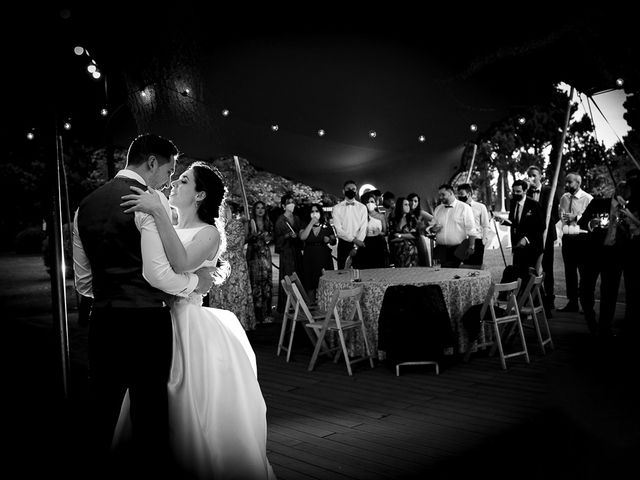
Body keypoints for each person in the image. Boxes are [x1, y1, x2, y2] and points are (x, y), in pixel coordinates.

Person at [117, 161, 277, 479]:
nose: (175, 181)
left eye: (185, 180)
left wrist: (159, 212)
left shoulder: (208, 234)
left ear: (200, 194)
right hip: (157, 322)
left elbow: (179, 261)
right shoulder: (168, 227)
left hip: (190, 327)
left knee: (190, 404)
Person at [71, 134, 216, 477]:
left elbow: (84, 284)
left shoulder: (85, 206)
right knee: (149, 416)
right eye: (170, 170)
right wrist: (197, 283)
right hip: (146, 324)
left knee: (102, 411)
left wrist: (113, 291)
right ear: (152, 163)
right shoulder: (150, 201)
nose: (169, 180)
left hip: (102, 322)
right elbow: (159, 276)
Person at [207, 201, 257, 331]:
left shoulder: (237, 225)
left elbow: (229, 243)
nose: (222, 213)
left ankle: (239, 326)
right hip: (218, 265)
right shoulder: (213, 226)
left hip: (235, 266)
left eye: (224, 210)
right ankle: (220, 327)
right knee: (220, 295)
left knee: (237, 295)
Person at [494, 179, 545, 288]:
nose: (515, 194)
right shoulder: (513, 203)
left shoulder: (534, 205)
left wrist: (526, 239)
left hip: (532, 247)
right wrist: (503, 221)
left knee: (529, 276)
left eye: (518, 191)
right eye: (514, 191)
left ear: (525, 190)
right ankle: (519, 298)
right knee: (518, 274)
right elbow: (515, 223)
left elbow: (541, 226)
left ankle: (532, 299)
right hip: (517, 246)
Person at [526, 165, 560, 314]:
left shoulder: (549, 191)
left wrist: (547, 225)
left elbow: (556, 214)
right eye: (529, 175)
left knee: (547, 267)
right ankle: (535, 298)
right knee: (531, 267)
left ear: (540, 176)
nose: (532, 178)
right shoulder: (525, 191)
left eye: (534, 175)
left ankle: (550, 300)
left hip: (546, 235)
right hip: (531, 237)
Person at [557, 172, 593, 312]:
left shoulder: (588, 198)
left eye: (569, 182)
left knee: (584, 273)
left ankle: (586, 303)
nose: (566, 185)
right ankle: (572, 302)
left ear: (578, 183)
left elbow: (591, 220)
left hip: (582, 240)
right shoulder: (564, 198)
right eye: (566, 182)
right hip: (568, 239)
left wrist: (576, 217)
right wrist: (564, 218)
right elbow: (561, 215)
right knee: (569, 272)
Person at [429, 184, 476, 268]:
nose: (440, 197)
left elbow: (471, 229)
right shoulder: (438, 209)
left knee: (454, 275)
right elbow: (431, 227)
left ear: (451, 193)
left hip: (458, 249)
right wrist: (433, 229)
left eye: (443, 194)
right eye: (439, 195)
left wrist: (471, 246)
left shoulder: (464, 208)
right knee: (440, 275)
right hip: (441, 250)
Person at [300, 203, 336, 302]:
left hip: (323, 255)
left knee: (325, 281)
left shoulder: (326, 225)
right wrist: (311, 223)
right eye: (312, 211)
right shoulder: (304, 224)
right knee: (310, 282)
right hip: (309, 256)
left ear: (320, 212)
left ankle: (326, 304)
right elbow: (303, 237)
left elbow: (333, 241)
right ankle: (311, 307)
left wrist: (329, 239)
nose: (314, 213)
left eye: (317, 211)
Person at [274, 193, 303, 314]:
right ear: (283, 206)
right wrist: (286, 236)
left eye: (292, 202)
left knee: (298, 275)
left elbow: (301, 234)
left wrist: (298, 236)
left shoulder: (296, 218)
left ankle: (300, 303)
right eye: (288, 203)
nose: (291, 204)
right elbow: (277, 240)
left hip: (296, 251)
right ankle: (287, 305)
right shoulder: (280, 220)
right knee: (287, 277)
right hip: (286, 252)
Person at [246, 200, 274, 324]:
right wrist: (253, 236)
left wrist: (268, 237)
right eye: (258, 208)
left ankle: (267, 314)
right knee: (255, 283)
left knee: (266, 283)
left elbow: (272, 238)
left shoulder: (268, 222)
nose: (260, 210)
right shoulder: (249, 223)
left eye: (262, 207)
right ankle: (256, 316)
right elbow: (245, 239)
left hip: (265, 255)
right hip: (253, 255)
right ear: (254, 210)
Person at [331, 180, 368, 269]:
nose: (351, 190)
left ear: (356, 191)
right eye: (348, 189)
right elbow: (339, 230)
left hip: (359, 244)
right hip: (344, 244)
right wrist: (354, 240)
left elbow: (363, 228)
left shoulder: (362, 207)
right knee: (343, 274)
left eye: (353, 189)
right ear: (343, 191)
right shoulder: (336, 208)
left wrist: (356, 247)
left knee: (360, 273)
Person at [456, 183, 490, 267]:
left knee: (476, 267)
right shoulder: (458, 207)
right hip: (461, 241)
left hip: (477, 240)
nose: (459, 196)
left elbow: (485, 225)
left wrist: (484, 240)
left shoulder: (480, 207)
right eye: (458, 194)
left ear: (469, 194)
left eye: (461, 194)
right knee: (461, 267)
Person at [353, 190, 388, 268]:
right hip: (366, 244)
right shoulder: (360, 217)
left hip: (379, 243)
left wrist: (379, 233)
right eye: (368, 202)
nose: (370, 204)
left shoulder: (381, 216)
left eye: (372, 201)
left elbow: (385, 232)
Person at [388, 197, 419, 267]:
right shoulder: (393, 220)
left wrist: (400, 236)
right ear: (400, 206)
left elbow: (415, 235)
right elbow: (391, 237)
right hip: (397, 250)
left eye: (408, 204)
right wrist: (407, 236)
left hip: (410, 250)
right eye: (405, 204)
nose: (408, 206)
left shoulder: (412, 219)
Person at [407, 192, 434, 266]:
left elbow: (435, 220)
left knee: (423, 260)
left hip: (421, 239)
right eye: (411, 200)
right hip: (408, 240)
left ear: (418, 203)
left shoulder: (421, 212)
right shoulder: (405, 213)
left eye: (415, 201)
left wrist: (427, 229)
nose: (413, 203)